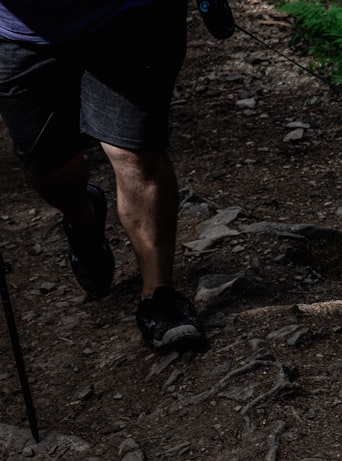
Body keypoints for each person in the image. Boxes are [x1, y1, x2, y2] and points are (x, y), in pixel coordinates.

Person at [0, 0, 207, 351]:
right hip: (22, 35)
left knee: (136, 153)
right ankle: (83, 216)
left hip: (131, 15)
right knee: (49, 170)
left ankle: (159, 296)